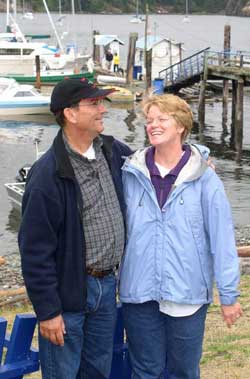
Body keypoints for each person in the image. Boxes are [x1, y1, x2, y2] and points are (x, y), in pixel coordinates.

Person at [119, 93, 243, 379]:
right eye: (149, 120)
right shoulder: (130, 173)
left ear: (181, 126)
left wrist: (228, 295)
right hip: (139, 293)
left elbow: (222, 240)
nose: (153, 125)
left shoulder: (205, 178)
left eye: (162, 119)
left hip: (187, 294)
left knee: (184, 372)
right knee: (144, 370)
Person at [18, 78, 132, 379]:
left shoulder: (112, 150)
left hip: (106, 286)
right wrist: (48, 311)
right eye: (94, 104)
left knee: (97, 371)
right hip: (68, 292)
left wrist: (198, 157)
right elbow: (34, 250)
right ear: (70, 114)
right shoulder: (47, 174)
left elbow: (158, 159)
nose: (102, 110)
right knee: (63, 374)